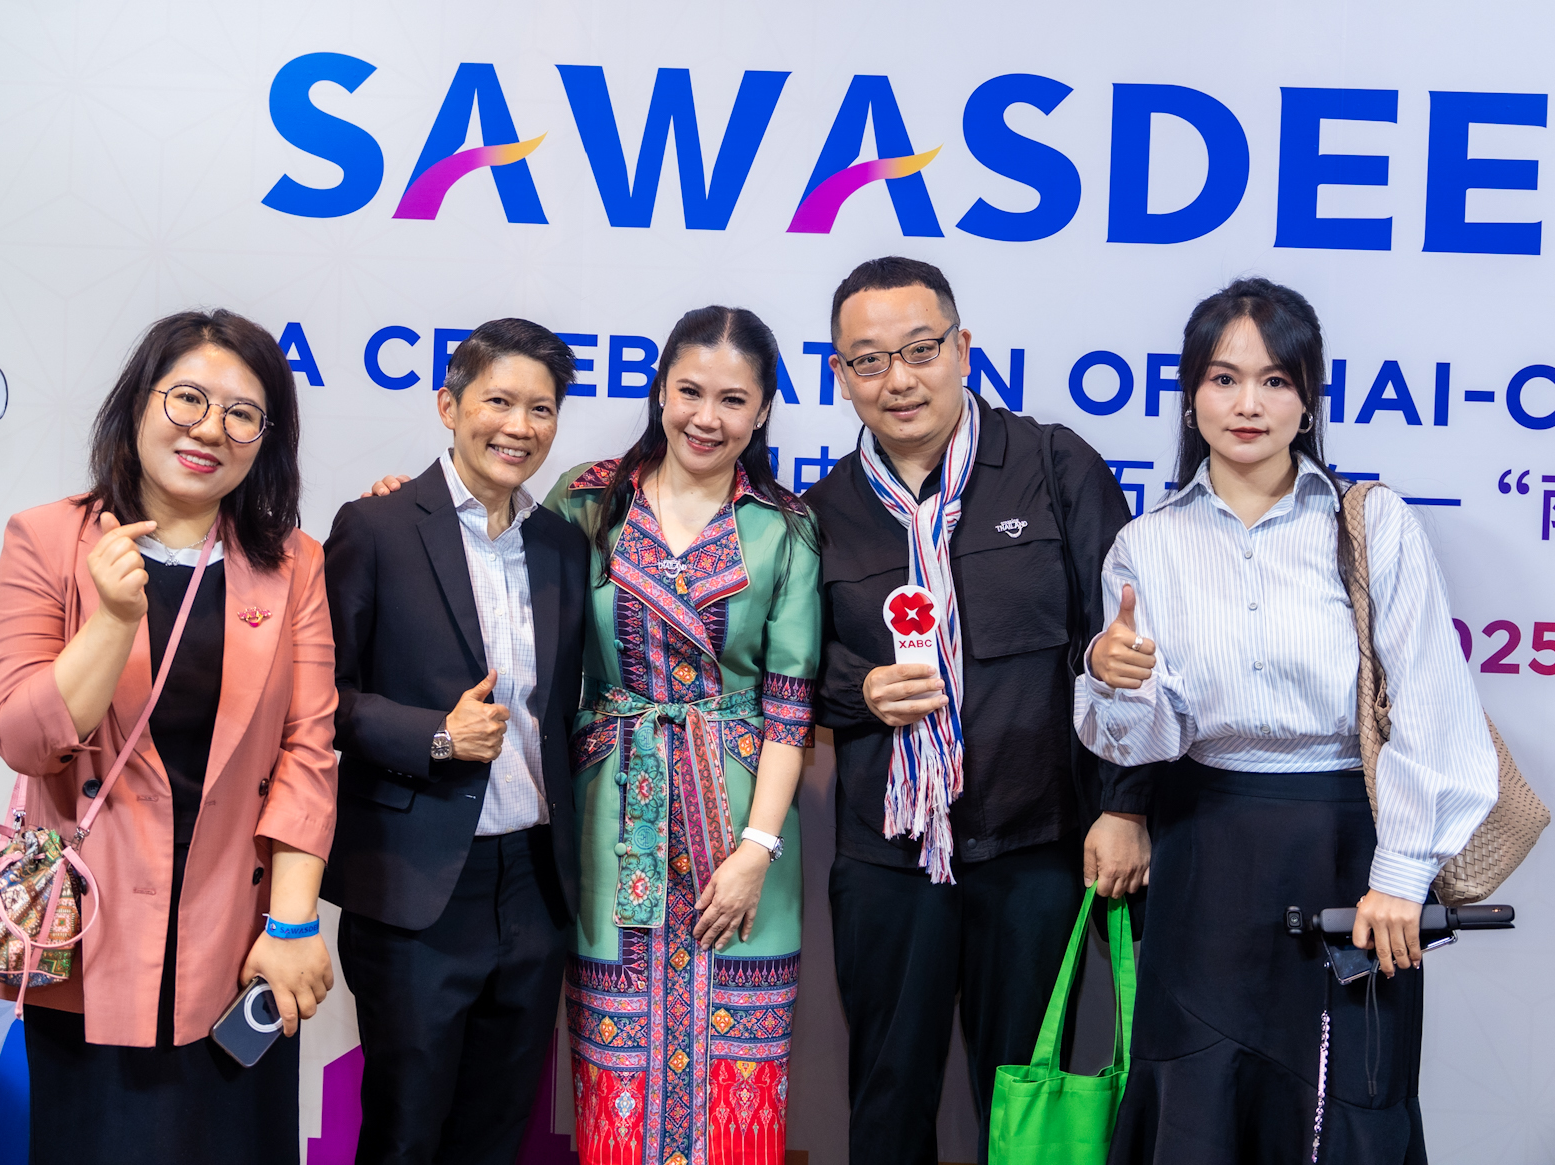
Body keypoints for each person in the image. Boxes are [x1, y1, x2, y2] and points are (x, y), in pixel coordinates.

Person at [1076, 277, 1499, 1162]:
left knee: (1347, 1102)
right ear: (1190, 395)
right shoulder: (1147, 543)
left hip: (1350, 855)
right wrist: (1115, 681)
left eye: (1275, 380)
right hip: (1204, 855)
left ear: (1308, 400)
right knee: (1198, 1095)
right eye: (1224, 378)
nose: (1248, 404)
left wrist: (1402, 875)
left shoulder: (1373, 523)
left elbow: (1433, 710)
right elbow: (1152, 741)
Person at [803, 257, 1160, 1165]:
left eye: (920, 349)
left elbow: (1119, 647)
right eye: (869, 360)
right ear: (841, 375)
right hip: (888, 859)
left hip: (1034, 847)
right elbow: (787, 674)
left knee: (1026, 1102)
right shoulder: (822, 511)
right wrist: (858, 690)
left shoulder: (1052, 465)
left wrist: (1124, 806)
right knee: (887, 1100)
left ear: (962, 348)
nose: (898, 379)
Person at [0, 309, 338, 1165]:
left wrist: (292, 926)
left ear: (267, 439)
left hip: (237, 942)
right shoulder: (47, 537)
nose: (209, 428)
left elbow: (308, 751)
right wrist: (111, 618)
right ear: (140, 400)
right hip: (90, 935)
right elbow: (24, 737)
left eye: (242, 413)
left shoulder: (293, 562)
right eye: (188, 398)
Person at [545, 307, 820, 1165]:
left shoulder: (784, 526)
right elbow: (501, 572)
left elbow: (790, 705)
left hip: (742, 817)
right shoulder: (588, 500)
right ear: (660, 389)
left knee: (741, 1063)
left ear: (763, 410)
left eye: (732, 400)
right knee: (614, 1060)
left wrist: (756, 851)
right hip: (610, 814)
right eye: (689, 391)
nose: (707, 417)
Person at [321, 318, 590, 1165]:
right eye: (498, 401)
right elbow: (318, 700)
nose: (519, 426)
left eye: (541, 409)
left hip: (536, 882)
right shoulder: (376, 526)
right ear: (449, 405)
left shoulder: (561, 545)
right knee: (405, 1133)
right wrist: (435, 735)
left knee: (496, 1134)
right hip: (419, 884)